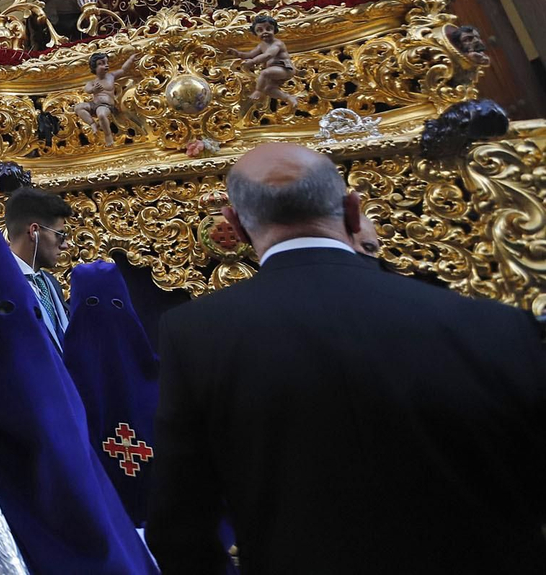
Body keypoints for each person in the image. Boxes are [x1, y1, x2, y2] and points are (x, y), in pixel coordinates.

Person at [147, 143, 546, 574]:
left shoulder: (195, 335)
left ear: (235, 227)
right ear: (354, 212)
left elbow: (180, 521)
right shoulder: (496, 323)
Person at [4, 187, 73, 348]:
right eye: (60, 235)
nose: (65, 245)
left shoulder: (50, 283)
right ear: (34, 231)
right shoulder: (0, 285)